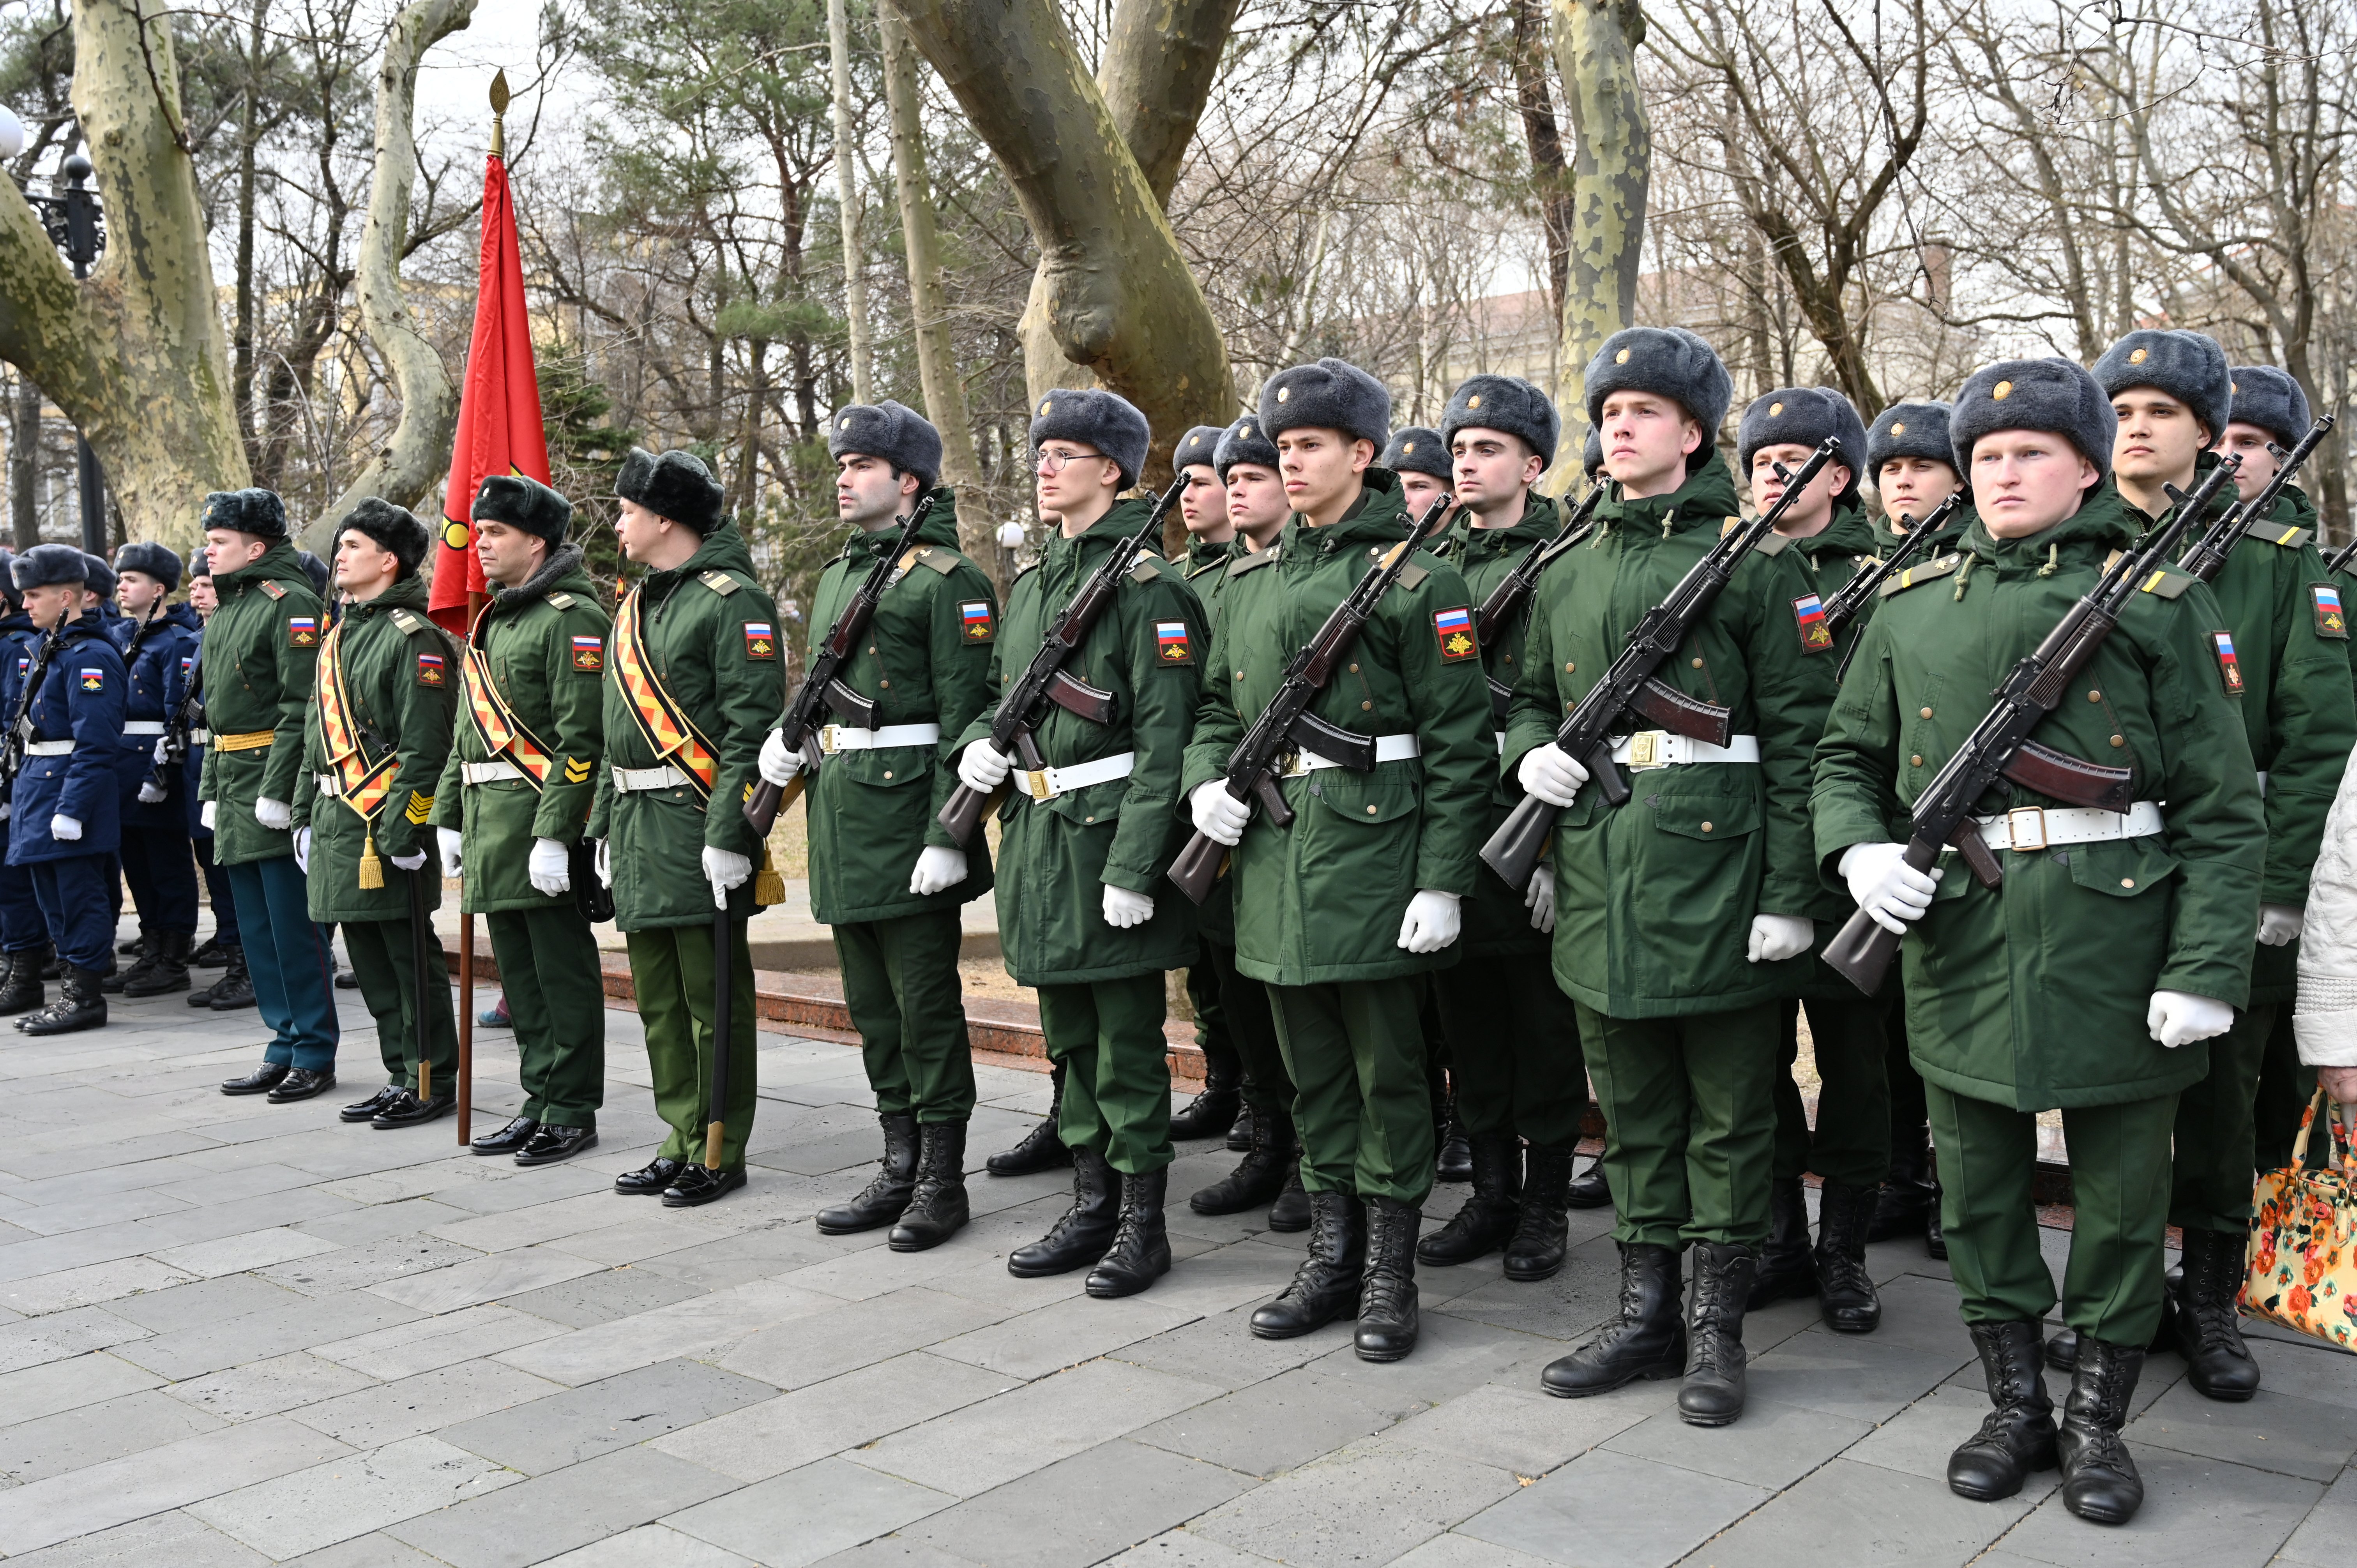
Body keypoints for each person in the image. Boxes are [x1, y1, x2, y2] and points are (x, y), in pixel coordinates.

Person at [1815, 357, 2262, 1523]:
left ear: (2083, 465)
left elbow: (2224, 809)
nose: (2006, 472)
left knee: (2120, 1196)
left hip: (2119, 934)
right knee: (1976, 1186)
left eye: (2032, 454)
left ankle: (2096, 1419)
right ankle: (2013, 1401)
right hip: (1962, 933)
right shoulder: (1911, 610)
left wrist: (2206, 967)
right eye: (1988, 457)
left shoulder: (2159, 602)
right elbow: (1846, 760)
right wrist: (1859, 853)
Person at [1511, 327, 1836, 1426]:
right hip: (1601, 868)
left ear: (1694, 435)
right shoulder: (1566, 561)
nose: (1619, 424)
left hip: (1724, 877)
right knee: (1636, 1114)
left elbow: (1805, 743)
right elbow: (1515, 692)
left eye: (1644, 410)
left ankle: (1716, 1331)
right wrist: (1531, 752)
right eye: (1609, 410)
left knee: (1733, 1120)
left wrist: (1793, 896)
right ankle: (1645, 1315)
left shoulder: (1762, 562)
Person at [2051, 334, 2356, 1397]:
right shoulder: (2066, 546)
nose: (2137, 427)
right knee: (2110, 1103)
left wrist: (2274, 887)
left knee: (2223, 1110)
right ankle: (2113, 1303)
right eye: (2118, 408)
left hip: (2230, 877)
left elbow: (2318, 740)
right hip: (2105, 877)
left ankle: (2212, 1297)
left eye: (2162, 410)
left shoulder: (2277, 563)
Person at [1184, 356, 1492, 1361]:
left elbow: (1456, 745)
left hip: (1375, 859)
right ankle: (1331, 1253)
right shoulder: (1251, 578)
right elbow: (1219, 712)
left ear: (1363, 453)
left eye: (1310, 444)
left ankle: (1390, 1272)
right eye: (1283, 447)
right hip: (1275, 860)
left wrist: (1443, 879)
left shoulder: (1417, 578)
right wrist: (1207, 782)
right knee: (1314, 1077)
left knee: (1388, 1076)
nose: (1292, 461)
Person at [956, 387, 1205, 1298]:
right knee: (1069, 1034)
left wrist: (1138, 864)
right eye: (1041, 451)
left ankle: (1142, 1222)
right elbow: (994, 690)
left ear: (1113, 468)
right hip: (1038, 837)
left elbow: (1167, 740)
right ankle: (1091, 1198)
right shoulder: (1034, 584)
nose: (1046, 466)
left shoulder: (1152, 588)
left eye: (1066, 452)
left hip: (1107, 845)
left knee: (1126, 1045)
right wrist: (978, 746)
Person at [758, 402, 996, 1247]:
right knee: (872, 1007)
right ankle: (897, 1159)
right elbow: (823, 686)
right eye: (841, 464)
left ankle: (940, 1175)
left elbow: (971, 720)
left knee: (924, 1006)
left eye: (863, 464)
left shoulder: (947, 580)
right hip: (844, 815)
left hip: (908, 822)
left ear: (910, 481)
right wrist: (785, 746)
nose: (846, 478)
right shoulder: (836, 575)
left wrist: (947, 833)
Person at [1417, 373, 1590, 1286]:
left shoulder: (1571, 550)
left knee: (1544, 1032)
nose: (1469, 463)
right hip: (1452, 819)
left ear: (1533, 460)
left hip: (1533, 820)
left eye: (1488, 449)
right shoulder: (1432, 562)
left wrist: (1558, 849)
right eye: (1460, 449)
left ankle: (1546, 1202)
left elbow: (1575, 710)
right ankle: (1489, 1192)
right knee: (1469, 1024)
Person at [1728, 385, 1892, 1335]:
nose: (1773, 477)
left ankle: (1846, 1254)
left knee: (1855, 1068)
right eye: (1760, 462)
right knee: (1756, 1061)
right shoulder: (1728, 568)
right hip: (1748, 847)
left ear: (1838, 475)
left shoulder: (1888, 568)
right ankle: (1783, 1237)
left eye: (1794, 461)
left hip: (1846, 855)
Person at [588, 447, 780, 1208]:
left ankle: (719, 1144)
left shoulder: (733, 601)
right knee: (661, 999)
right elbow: (614, 730)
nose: (618, 523)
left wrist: (730, 832)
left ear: (665, 518)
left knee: (712, 999)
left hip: (697, 821)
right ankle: (678, 1132)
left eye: (627, 510)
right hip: (636, 824)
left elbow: (750, 729)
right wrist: (602, 824)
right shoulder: (637, 603)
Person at [433, 474, 612, 1164]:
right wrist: (448, 815)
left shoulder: (571, 617)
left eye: (495, 532)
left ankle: (570, 1107)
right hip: (487, 824)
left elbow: (580, 737)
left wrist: (555, 832)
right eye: (478, 532)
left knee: (559, 975)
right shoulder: (497, 616)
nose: (479, 544)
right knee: (520, 978)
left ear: (535, 540)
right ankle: (538, 1098)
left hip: (535, 821)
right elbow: (466, 730)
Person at [294, 501, 460, 1128]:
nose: (340, 554)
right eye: (341, 545)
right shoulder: (339, 634)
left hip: (386, 826)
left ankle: (430, 1077)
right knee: (368, 964)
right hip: (340, 821)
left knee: (408, 960)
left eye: (355, 545)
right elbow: (317, 736)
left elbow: (425, 749)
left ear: (389, 561)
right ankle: (399, 1072)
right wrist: (308, 817)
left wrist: (405, 826)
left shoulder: (414, 640)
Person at [1182, 414, 1307, 1232]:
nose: (1234, 486)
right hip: (1223, 823)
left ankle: (1306, 1156)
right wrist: (1201, 786)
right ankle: (1266, 1138)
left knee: (1292, 1005)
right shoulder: (1208, 581)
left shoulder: (1302, 577)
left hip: (1300, 816)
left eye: (1251, 473)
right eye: (1229, 475)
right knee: (1235, 989)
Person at [1857, 399, 1971, 1259]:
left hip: (1950, 824)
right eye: (1891, 469)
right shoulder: (1877, 572)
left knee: (1944, 1022)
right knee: (1884, 1026)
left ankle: (1948, 1188)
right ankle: (1903, 1174)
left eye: (1920, 466)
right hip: (1878, 830)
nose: (1903, 479)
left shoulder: (1970, 570)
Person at [201, 489, 340, 1103]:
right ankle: (281, 1041)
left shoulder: (291, 605)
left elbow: (300, 705)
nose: (207, 552)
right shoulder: (231, 608)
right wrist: (210, 789)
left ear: (255, 547)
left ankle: (313, 1048)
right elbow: (215, 717)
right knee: (255, 928)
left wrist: (281, 789)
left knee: (292, 926)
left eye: (219, 541)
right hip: (233, 784)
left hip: (269, 782)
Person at [1377, 423, 1475, 1187]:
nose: (1408, 499)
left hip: (1465, 812)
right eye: (1399, 484)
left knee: (1475, 1015)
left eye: (1421, 485)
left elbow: (1458, 730)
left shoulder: (1428, 584)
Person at [2, 545, 128, 1034]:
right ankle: (70, 995)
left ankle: (85, 999)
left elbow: (96, 743)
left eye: (34, 595)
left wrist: (73, 808)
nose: (25, 603)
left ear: (68, 596)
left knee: (79, 898)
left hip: (67, 795)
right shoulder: (47, 647)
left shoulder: (89, 656)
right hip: (39, 790)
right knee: (53, 900)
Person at [1167, 422, 1245, 1147]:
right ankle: (1222, 1079)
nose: (1188, 493)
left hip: (1243, 781)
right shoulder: (1177, 576)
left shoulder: (1248, 572)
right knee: (1203, 953)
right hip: (1192, 781)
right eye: (1182, 481)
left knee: (1235, 948)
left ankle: (1255, 1094)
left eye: (1202, 479)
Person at [108, 542, 203, 996]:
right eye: (120, 578)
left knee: (166, 861)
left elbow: (176, 713)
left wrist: (161, 771)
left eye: (131, 579)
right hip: (121, 763)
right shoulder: (121, 637)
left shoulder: (176, 641)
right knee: (136, 862)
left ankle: (174, 954)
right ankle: (151, 946)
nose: (121, 586)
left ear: (159, 589)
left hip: (154, 764)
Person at [178, 546, 253, 1010]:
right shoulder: (199, 638)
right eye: (197, 584)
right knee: (214, 866)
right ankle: (233, 952)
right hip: (204, 765)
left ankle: (246, 965)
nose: (198, 592)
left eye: (206, 584)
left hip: (237, 764)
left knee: (236, 873)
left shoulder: (236, 633)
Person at [0, 553, 55, 1014]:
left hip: (18, 774)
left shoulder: (18, 644)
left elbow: (12, 718)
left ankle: (24, 970)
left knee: (12, 881)